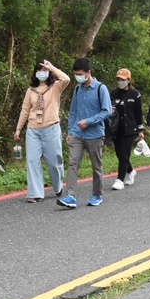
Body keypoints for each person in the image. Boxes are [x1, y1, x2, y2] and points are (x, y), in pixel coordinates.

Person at [57, 57, 111, 208]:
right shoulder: (77, 89)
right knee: (73, 163)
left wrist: (88, 121)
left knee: (96, 166)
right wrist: (70, 131)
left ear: (88, 72)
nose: (78, 76)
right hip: (77, 134)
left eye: (80, 74)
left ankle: (97, 194)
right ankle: (70, 196)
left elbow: (106, 111)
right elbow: (73, 111)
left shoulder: (101, 89)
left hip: (95, 134)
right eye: (75, 74)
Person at [14, 59, 70, 203]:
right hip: (33, 130)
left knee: (54, 162)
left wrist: (52, 67)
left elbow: (66, 78)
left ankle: (57, 186)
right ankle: (35, 193)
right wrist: (18, 129)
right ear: (35, 73)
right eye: (39, 70)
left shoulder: (55, 87)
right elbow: (25, 110)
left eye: (44, 70)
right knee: (32, 161)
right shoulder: (30, 90)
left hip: (51, 129)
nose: (42, 73)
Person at [110, 68, 144, 189]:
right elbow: (108, 110)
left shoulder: (135, 94)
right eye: (118, 79)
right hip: (117, 129)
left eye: (123, 79)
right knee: (119, 154)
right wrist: (111, 110)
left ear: (129, 80)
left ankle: (119, 179)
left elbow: (138, 112)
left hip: (130, 129)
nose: (120, 82)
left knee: (124, 154)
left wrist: (140, 130)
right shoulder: (114, 94)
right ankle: (130, 171)